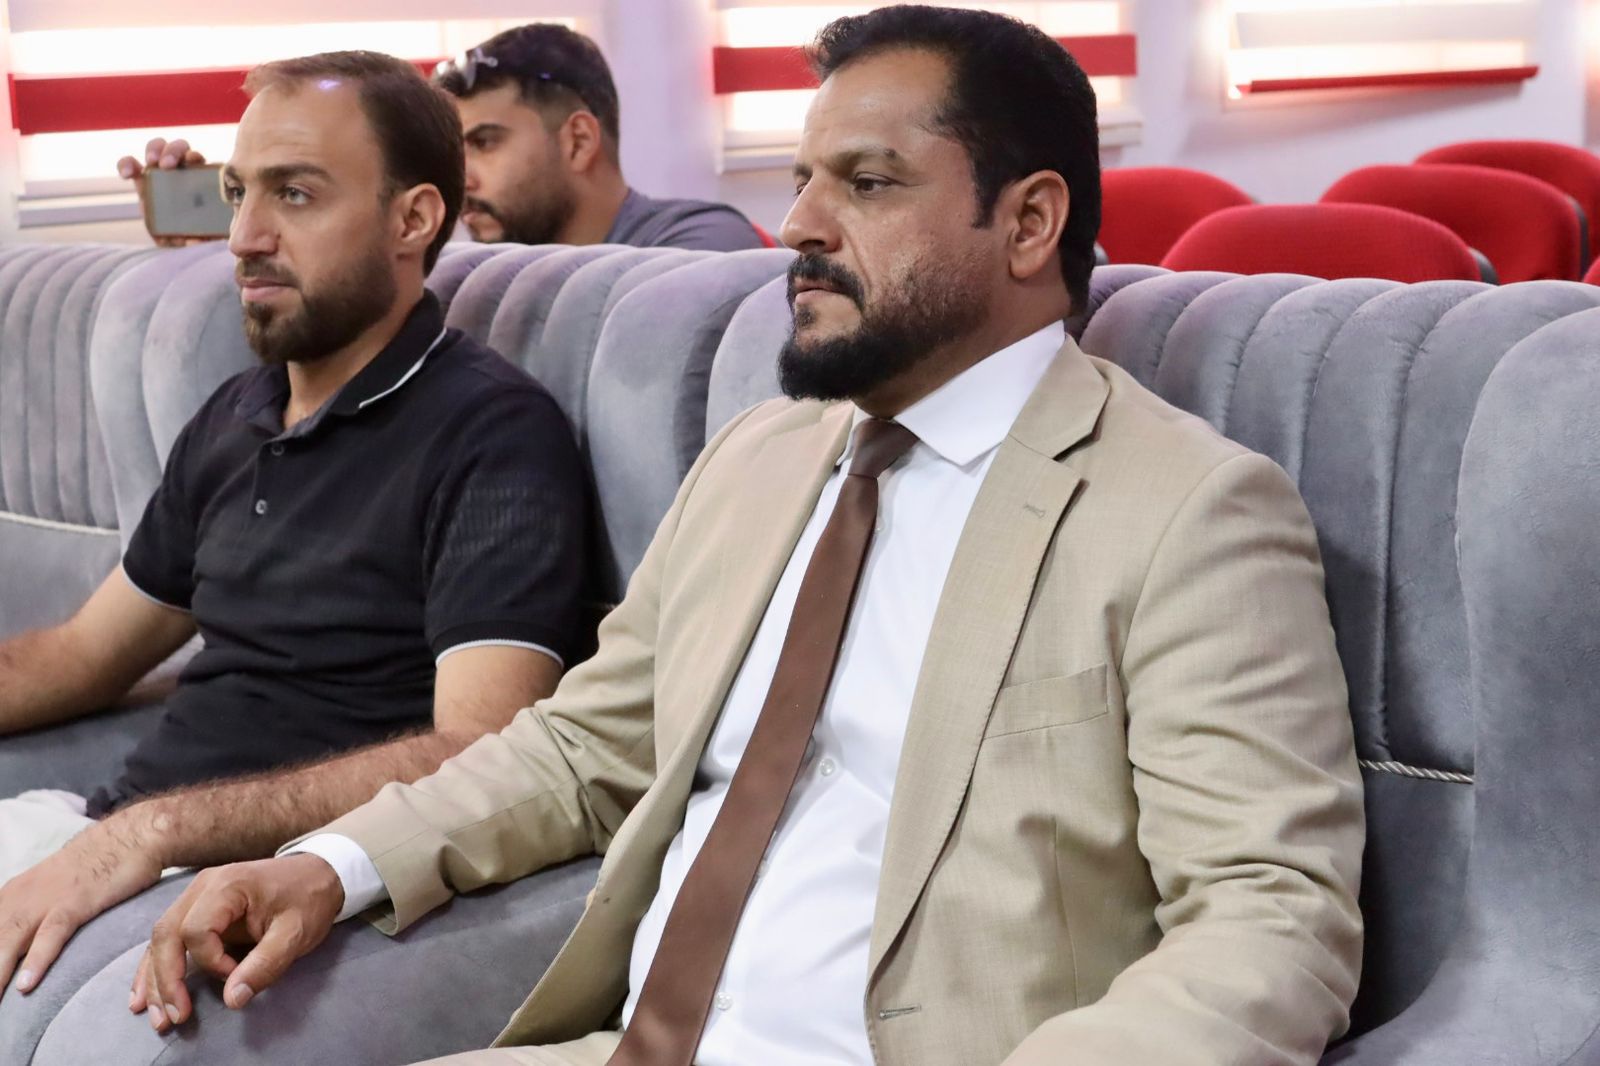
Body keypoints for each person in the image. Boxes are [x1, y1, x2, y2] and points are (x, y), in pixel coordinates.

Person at [133, 9, 1365, 1066]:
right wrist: (333, 862)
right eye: (802, 179)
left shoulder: (1186, 508)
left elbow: (1270, 919)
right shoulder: (762, 456)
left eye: (867, 184)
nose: (799, 226)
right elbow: (581, 747)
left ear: (1029, 221)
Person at [0, 49, 588, 1013]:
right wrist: (119, 833)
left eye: (295, 194)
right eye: (238, 193)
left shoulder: (492, 433)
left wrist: (153, 833)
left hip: (240, 882)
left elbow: (484, 749)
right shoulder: (236, 413)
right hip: (96, 834)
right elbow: (81, 655)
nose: (244, 237)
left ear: (413, 219)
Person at [119, 25, 768, 253]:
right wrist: (233, 240)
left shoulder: (701, 245)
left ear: (576, 141)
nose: (462, 178)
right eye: (454, 153)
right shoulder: (487, 276)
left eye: (484, 143)